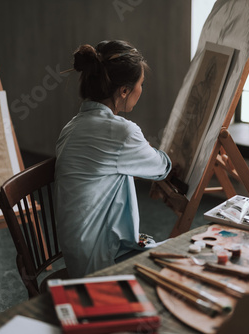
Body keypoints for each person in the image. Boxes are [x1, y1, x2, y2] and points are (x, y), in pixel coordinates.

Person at [54, 40, 172, 278]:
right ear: (124, 91)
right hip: (99, 262)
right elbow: (162, 168)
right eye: (141, 84)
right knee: (180, 263)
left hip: (80, 250)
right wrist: (147, 147)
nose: (142, 90)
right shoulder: (121, 132)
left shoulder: (72, 126)